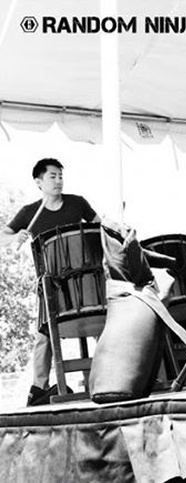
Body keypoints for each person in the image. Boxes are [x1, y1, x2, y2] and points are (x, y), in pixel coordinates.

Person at [0, 158, 99, 405]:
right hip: (50, 283)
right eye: (52, 176)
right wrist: (15, 237)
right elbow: (3, 236)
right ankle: (38, 389)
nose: (58, 181)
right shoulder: (29, 212)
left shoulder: (78, 203)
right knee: (44, 335)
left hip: (84, 277)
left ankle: (108, 373)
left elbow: (99, 227)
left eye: (60, 176)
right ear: (39, 182)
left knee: (100, 322)